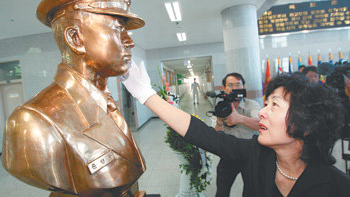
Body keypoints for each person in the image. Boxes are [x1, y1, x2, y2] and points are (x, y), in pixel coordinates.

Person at [2, 0, 146, 196]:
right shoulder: (32, 122)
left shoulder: (107, 104)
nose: (129, 41)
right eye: (118, 29)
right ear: (76, 38)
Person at [121, 61, 350, 197]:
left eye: (274, 105)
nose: (262, 111)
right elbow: (202, 133)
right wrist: (146, 94)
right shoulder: (255, 154)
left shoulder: (336, 187)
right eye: (266, 103)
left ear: (306, 123)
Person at [214, 73, 260, 197]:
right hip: (228, 154)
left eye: (238, 84)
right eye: (230, 85)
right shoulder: (221, 107)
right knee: (222, 191)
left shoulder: (253, 105)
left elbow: (260, 125)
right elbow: (217, 135)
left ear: (243, 87)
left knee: (251, 192)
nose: (234, 88)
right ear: (223, 88)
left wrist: (239, 118)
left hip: (250, 154)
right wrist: (219, 121)